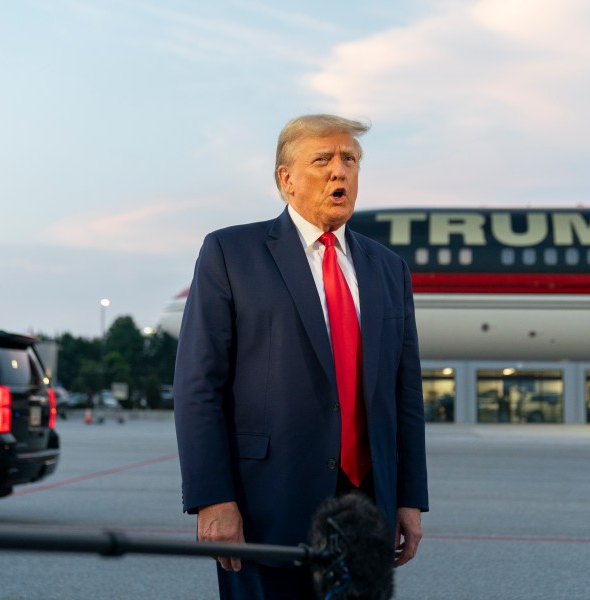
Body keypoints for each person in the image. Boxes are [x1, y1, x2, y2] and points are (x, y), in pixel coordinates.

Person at [173, 114, 429, 599]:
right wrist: (213, 498)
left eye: (350, 160)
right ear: (285, 180)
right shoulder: (231, 253)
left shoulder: (388, 269)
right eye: (324, 160)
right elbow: (197, 385)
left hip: (367, 502)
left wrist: (410, 498)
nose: (340, 171)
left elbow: (405, 392)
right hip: (265, 501)